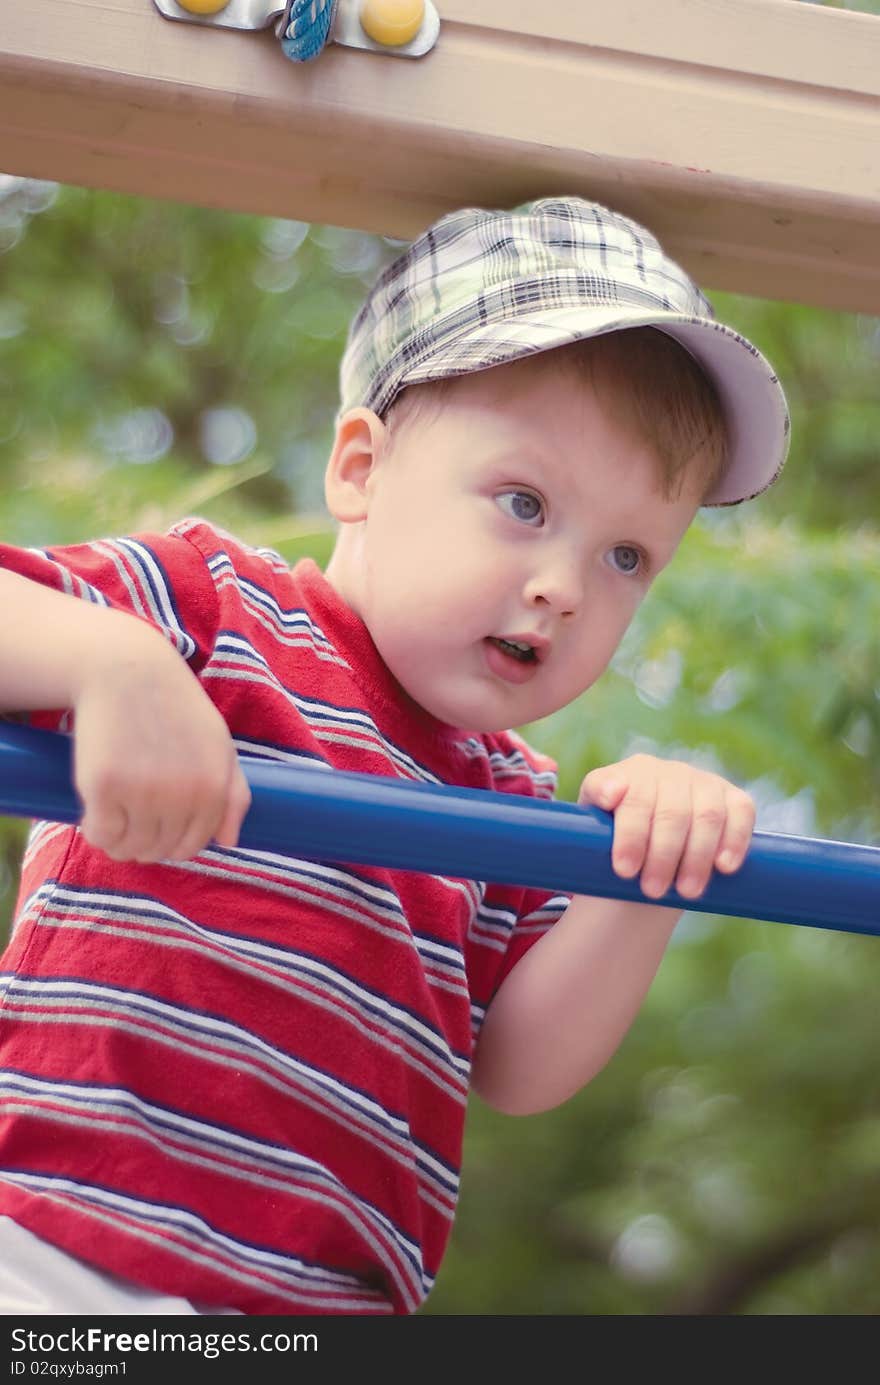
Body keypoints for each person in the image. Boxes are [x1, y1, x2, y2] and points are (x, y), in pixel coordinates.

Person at [0, 196, 789, 1315]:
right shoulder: (213, 608)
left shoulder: (506, 794)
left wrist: (645, 874)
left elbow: (517, 1061)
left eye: (625, 555)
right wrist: (108, 661)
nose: (565, 586)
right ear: (361, 469)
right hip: (62, 1244)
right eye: (523, 502)